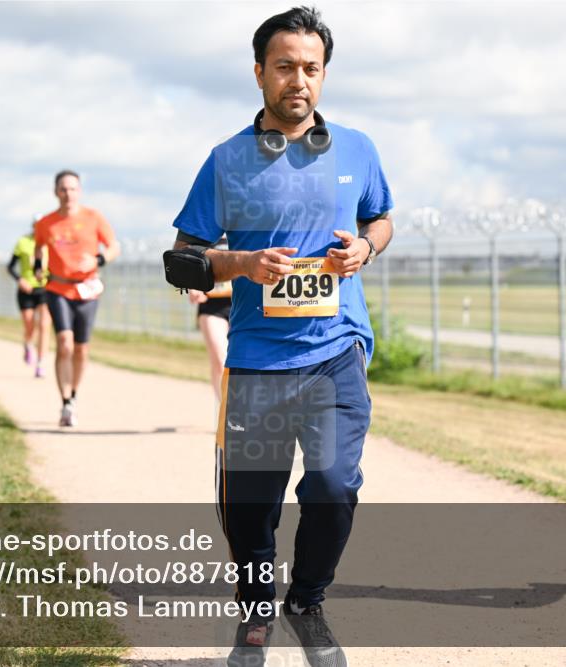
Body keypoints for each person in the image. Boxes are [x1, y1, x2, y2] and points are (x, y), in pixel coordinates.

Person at [170, 7, 393, 666]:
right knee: (250, 505)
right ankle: (257, 606)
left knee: (334, 483)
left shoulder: (357, 148)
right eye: (285, 66)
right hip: (258, 360)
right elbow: (181, 259)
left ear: (324, 74)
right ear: (260, 72)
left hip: (335, 351)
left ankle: (308, 601)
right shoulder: (226, 160)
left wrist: (365, 249)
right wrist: (241, 263)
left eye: (311, 68)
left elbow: (381, 218)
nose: (299, 80)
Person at [34, 171, 120, 427]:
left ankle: (73, 394)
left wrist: (98, 260)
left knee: (81, 348)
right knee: (64, 342)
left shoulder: (93, 217)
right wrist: (38, 266)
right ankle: (65, 401)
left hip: (87, 289)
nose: (68, 194)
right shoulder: (46, 223)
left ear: (79, 191)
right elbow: (39, 247)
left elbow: (114, 247)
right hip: (57, 288)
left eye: (72, 189)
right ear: (55, 192)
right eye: (63, 189)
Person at [187, 237, 232, 404]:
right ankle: (226, 411)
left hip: (243, 305)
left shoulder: (247, 228)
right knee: (220, 360)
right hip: (211, 305)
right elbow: (188, 259)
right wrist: (192, 285)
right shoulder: (204, 232)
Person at [8, 222, 51, 378]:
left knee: (45, 324)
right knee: (29, 325)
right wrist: (20, 280)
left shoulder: (50, 242)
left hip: (45, 289)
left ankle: (41, 363)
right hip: (26, 289)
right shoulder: (23, 242)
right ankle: (28, 344)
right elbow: (10, 267)